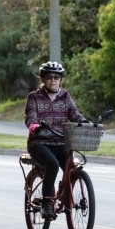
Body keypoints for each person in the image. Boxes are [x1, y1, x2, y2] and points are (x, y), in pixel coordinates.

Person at [25, 61, 87, 219]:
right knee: (51, 164)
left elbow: (75, 114)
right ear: (43, 80)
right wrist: (34, 126)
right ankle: (46, 203)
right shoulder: (34, 97)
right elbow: (30, 118)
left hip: (60, 141)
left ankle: (64, 194)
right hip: (39, 143)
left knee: (72, 166)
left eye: (56, 77)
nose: (53, 80)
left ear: (61, 80)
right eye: (49, 77)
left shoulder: (65, 96)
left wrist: (86, 123)